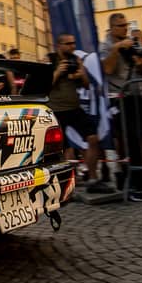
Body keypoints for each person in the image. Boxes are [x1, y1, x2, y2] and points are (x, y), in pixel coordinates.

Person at [100, 13, 142, 200]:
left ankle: (140, 177)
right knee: (126, 140)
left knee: (141, 138)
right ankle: (129, 180)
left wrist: (141, 61)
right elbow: (107, 69)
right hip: (119, 98)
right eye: (121, 25)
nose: (125, 28)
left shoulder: (131, 42)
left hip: (137, 96)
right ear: (112, 27)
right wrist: (117, 49)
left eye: (126, 24)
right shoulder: (105, 46)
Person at [49, 34, 109, 194]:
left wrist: (81, 74)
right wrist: (58, 72)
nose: (72, 46)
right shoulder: (50, 60)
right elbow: (44, 85)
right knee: (63, 148)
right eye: (68, 43)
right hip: (56, 110)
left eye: (73, 43)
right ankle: (66, 184)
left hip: (74, 108)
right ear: (59, 45)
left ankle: (93, 179)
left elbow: (87, 85)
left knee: (93, 138)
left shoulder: (75, 59)